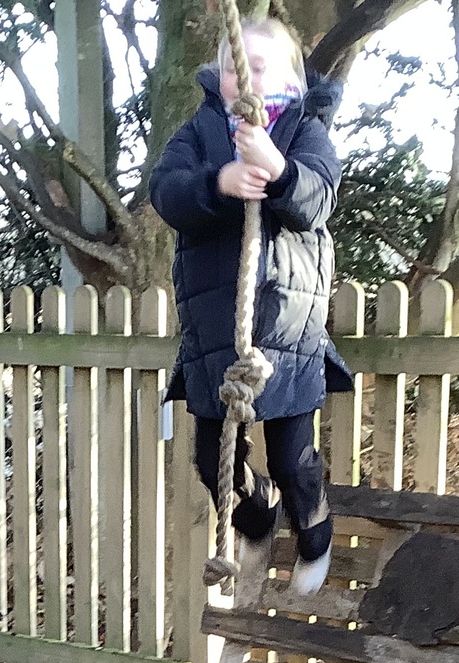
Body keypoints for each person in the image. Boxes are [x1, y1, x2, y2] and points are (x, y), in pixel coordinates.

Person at [149, 16, 350, 596]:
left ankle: (315, 530)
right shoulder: (200, 132)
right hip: (217, 331)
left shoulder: (305, 130)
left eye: (258, 67)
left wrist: (277, 169)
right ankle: (259, 515)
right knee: (210, 457)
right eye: (235, 68)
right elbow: (166, 192)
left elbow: (317, 199)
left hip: (288, 329)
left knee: (292, 457)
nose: (244, 77)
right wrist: (220, 182)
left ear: (290, 77)